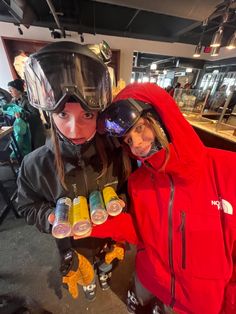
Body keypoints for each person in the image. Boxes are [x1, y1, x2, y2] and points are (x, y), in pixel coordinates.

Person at [97, 82, 236, 314]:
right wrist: (97, 224)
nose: (137, 145)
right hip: (150, 280)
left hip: (198, 302)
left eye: (140, 128)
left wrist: (230, 303)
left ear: (161, 116)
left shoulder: (228, 169)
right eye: (129, 140)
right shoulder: (138, 182)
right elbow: (141, 234)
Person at [16, 41, 137, 301]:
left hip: (109, 239)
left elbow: (132, 192)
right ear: (49, 115)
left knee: (107, 265)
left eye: (86, 116)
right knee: (84, 276)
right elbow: (26, 206)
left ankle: (104, 274)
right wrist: (50, 218)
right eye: (62, 115)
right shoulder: (35, 164)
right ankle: (91, 282)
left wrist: (120, 208)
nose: (74, 130)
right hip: (71, 245)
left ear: (99, 114)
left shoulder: (119, 153)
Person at [8, 78, 46, 150]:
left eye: (11, 89)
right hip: (27, 132)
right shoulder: (15, 101)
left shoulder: (28, 99)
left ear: (18, 90)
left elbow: (36, 115)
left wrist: (21, 115)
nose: (10, 92)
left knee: (38, 151)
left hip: (35, 130)